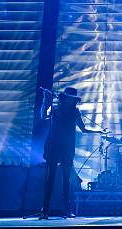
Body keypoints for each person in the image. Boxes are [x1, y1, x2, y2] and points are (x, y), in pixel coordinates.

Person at [40, 87, 102, 219]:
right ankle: (45, 209)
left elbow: (83, 129)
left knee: (67, 179)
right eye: (69, 98)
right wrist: (46, 100)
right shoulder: (54, 108)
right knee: (49, 179)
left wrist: (98, 131)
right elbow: (43, 116)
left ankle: (67, 209)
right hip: (53, 146)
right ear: (64, 98)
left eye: (73, 99)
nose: (71, 101)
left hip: (67, 148)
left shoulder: (75, 112)